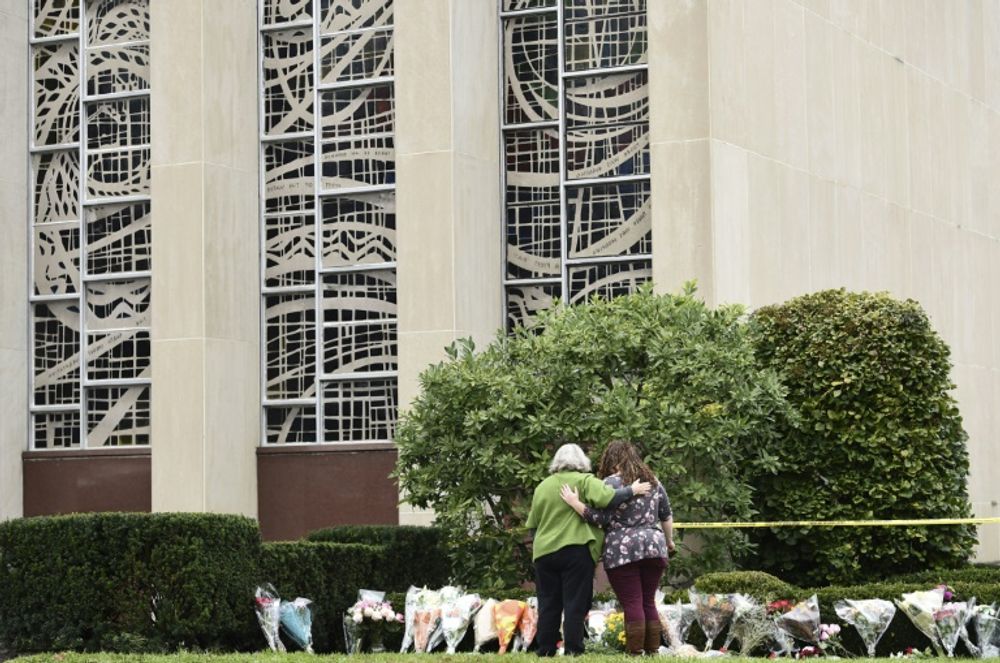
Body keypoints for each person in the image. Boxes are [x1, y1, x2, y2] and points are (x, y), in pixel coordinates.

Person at [525, 442, 651, 656]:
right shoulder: (585, 481)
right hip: (575, 550)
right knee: (575, 601)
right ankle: (574, 649)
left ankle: (545, 649)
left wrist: (540, 549)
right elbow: (608, 498)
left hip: (544, 553)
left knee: (548, 602)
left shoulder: (542, 487)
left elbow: (533, 525)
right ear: (582, 461)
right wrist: (632, 490)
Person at [560, 440, 674, 656]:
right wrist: (669, 542)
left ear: (611, 461)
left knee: (632, 601)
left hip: (623, 550)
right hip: (654, 546)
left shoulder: (610, 484)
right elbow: (666, 515)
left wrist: (575, 503)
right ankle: (652, 652)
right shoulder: (654, 481)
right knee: (648, 600)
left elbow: (600, 518)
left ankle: (635, 653)